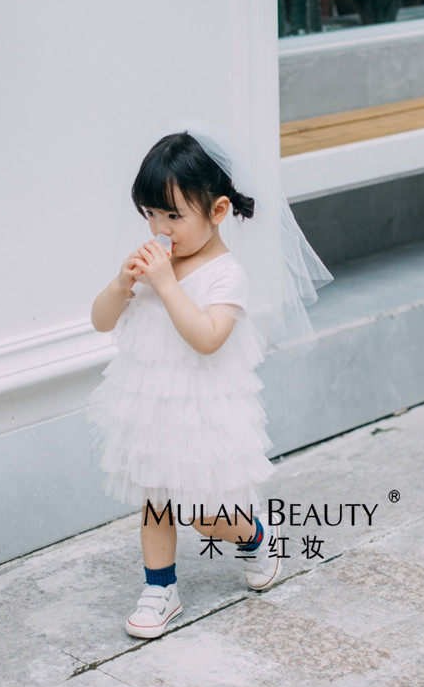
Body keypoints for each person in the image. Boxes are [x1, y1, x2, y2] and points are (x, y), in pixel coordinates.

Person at [87, 122, 333, 640]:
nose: (160, 228)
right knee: (156, 499)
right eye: (151, 214)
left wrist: (165, 284)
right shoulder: (155, 265)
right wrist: (121, 284)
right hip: (152, 405)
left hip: (202, 412)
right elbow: (101, 321)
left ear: (218, 211)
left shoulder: (225, 273)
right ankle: (160, 589)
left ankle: (256, 537)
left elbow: (207, 338)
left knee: (204, 513)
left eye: (173, 216)